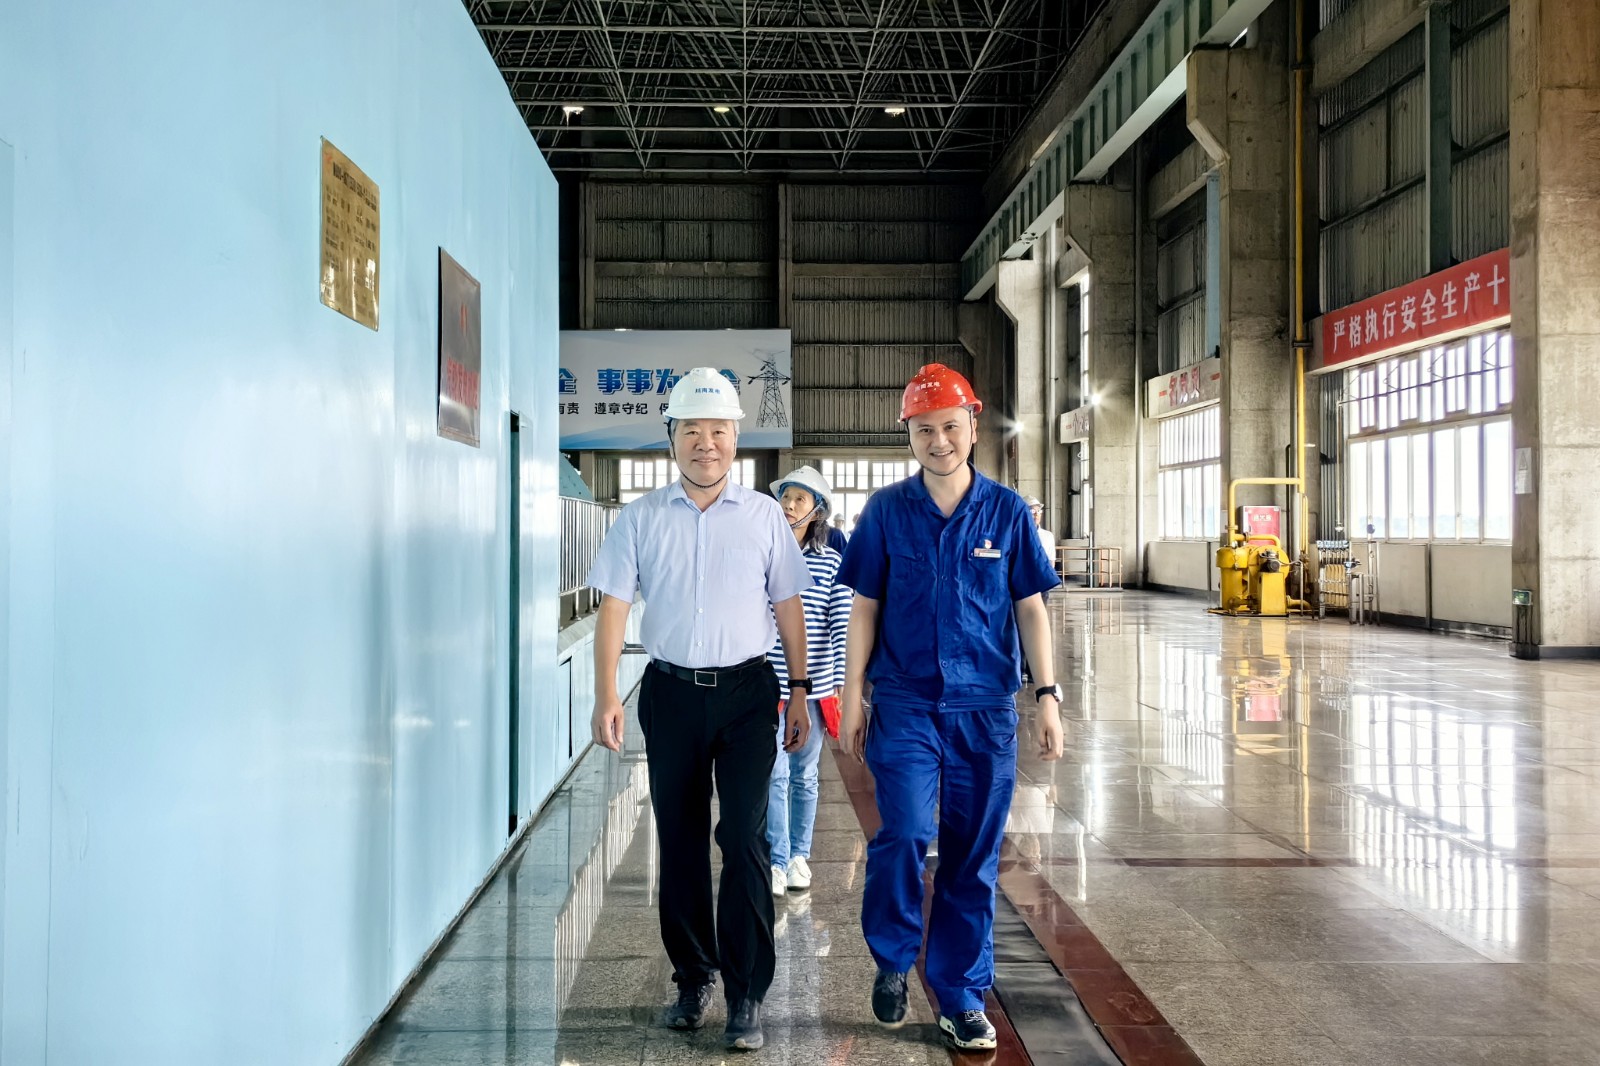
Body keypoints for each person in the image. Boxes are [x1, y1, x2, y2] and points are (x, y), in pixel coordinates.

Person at [836, 363, 1064, 1052]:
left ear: (973, 426)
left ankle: (961, 997)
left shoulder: (1007, 512)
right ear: (909, 435)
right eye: (924, 429)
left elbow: (1031, 607)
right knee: (904, 832)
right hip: (905, 703)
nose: (939, 441)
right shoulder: (884, 512)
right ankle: (892, 958)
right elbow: (865, 606)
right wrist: (851, 693)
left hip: (984, 710)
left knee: (971, 854)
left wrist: (1047, 696)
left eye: (950, 426)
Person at [587, 367, 815, 1053]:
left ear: (735, 438)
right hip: (671, 694)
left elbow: (788, 604)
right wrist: (606, 693)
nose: (706, 443)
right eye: (692, 430)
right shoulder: (641, 518)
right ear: (672, 438)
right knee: (680, 837)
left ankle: (747, 993)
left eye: (718, 430)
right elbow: (614, 606)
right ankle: (693, 977)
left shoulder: (765, 517)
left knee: (744, 837)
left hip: (749, 695)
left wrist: (799, 689)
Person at [766, 465, 851, 899]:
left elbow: (842, 625)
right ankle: (777, 860)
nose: (789, 504)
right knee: (775, 775)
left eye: (799, 498)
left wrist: (841, 684)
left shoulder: (832, 562)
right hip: (768, 685)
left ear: (816, 511)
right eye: (786, 496)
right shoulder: (764, 556)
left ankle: (800, 855)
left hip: (814, 689)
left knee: (804, 775)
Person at [1024, 496, 1058, 576]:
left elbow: (1051, 561)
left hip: (1042, 577)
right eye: (1032, 511)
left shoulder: (1048, 536)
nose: (1036, 514)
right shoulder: (1016, 534)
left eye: (1039, 511)